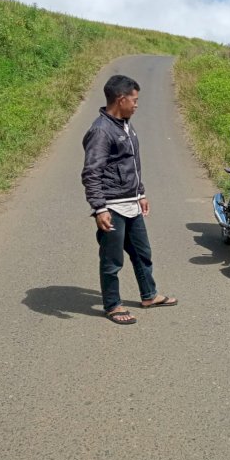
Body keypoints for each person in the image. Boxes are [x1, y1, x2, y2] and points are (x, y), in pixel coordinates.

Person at [81, 75, 177, 325]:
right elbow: (92, 172)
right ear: (121, 99)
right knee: (112, 260)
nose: (136, 105)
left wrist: (141, 193)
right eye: (134, 100)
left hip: (131, 202)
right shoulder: (101, 131)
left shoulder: (124, 124)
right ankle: (112, 305)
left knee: (142, 253)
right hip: (112, 206)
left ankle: (149, 295)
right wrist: (99, 208)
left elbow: (131, 164)